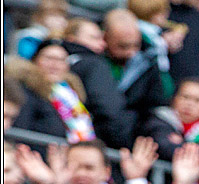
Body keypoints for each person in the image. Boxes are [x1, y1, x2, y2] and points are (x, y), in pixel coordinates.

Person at [63, 19, 133, 149]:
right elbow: (108, 108)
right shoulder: (95, 64)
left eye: (102, 38)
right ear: (71, 39)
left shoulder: (57, 61)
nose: (102, 43)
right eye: (94, 38)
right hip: (91, 142)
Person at [9, 40, 95, 143]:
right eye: (49, 58)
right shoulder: (25, 90)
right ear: (35, 60)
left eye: (61, 60)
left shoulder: (72, 96)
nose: (55, 65)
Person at [102, 9, 167, 138]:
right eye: (122, 46)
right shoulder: (93, 61)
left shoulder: (149, 62)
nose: (131, 52)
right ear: (105, 38)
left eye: (135, 45)